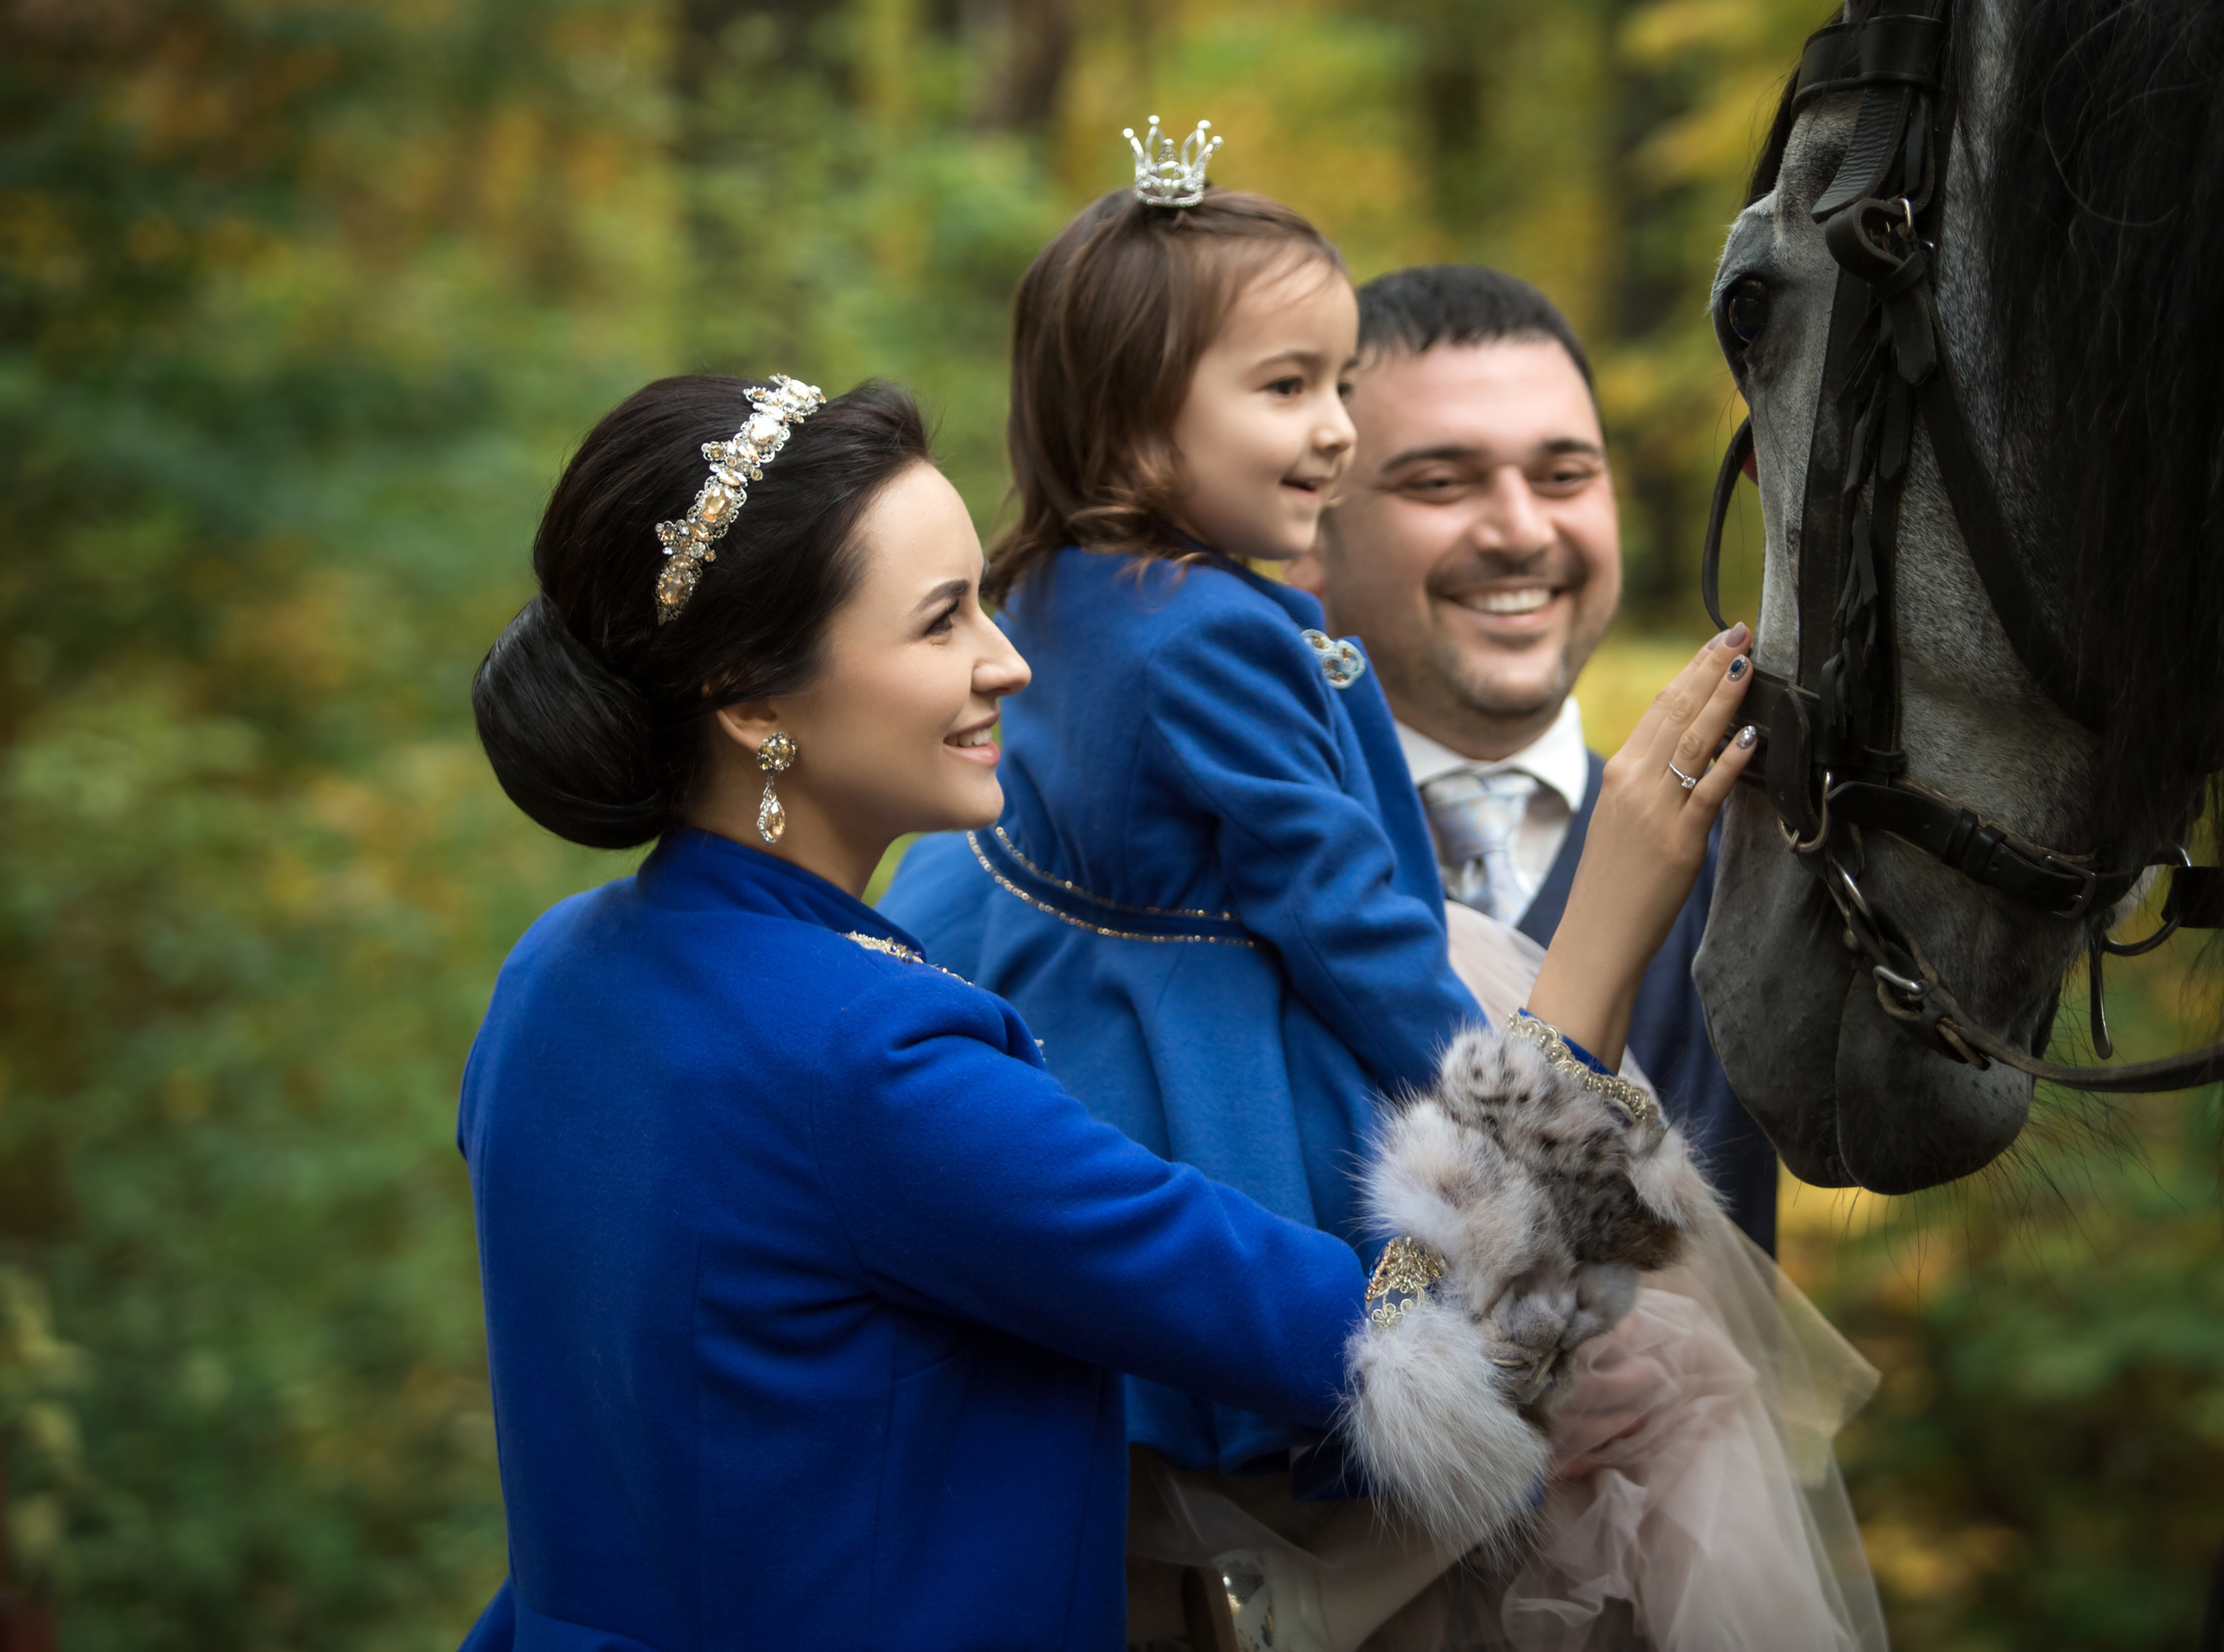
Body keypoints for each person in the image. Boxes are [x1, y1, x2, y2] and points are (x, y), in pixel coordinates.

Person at [450, 370, 1764, 1650]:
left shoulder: (557, 973)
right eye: (940, 621)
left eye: (988, 603)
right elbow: (1407, 1345)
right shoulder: (875, 1062)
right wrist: (1595, 942)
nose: (1007, 662)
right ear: (750, 699)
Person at [881, 133, 1878, 1651]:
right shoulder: (1211, 640)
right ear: (1139, 426)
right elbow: (1352, 922)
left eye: (1565, 470)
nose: (1332, 431)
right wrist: (1553, 1142)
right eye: (1298, 395)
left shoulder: (1058, 601)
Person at [1288, 264, 1778, 1254]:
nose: (1520, 530)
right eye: (1438, 482)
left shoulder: (1757, 852)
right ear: (1306, 532)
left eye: (1564, 476)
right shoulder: (1237, 872)